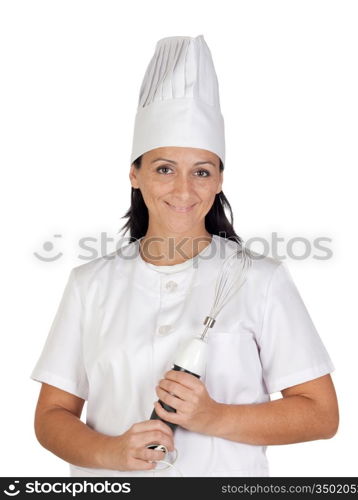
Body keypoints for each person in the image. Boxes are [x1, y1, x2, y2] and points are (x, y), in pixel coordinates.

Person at [30, 35, 339, 477]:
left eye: (201, 171)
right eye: (163, 169)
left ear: (218, 182)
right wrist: (110, 453)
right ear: (134, 175)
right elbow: (51, 415)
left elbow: (321, 415)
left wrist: (214, 416)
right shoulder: (90, 284)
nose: (183, 190)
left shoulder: (260, 279)